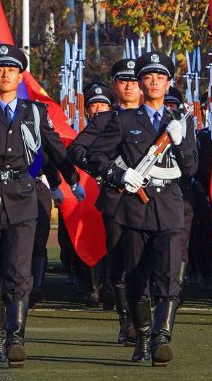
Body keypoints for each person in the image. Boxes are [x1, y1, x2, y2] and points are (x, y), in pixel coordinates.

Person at [71, 50, 197, 364]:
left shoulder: (179, 124)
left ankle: (161, 337)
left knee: (169, 276)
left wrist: (180, 143)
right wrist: (118, 173)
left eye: (160, 77)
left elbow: (192, 168)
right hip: (134, 208)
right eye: (148, 77)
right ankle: (141, 334)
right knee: (137, 277)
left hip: (168, 206)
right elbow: (95, 156)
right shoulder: (123, 120)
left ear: (169, 83)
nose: (154, 82)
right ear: (140, 83)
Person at [0, 43, 76, 366]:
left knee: (19, 270)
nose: (5, 74)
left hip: (24, 196)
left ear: (19, 76)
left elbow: (54, 148)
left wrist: (73, 178)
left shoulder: (34, 112)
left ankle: (16, 338)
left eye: (11, 70)